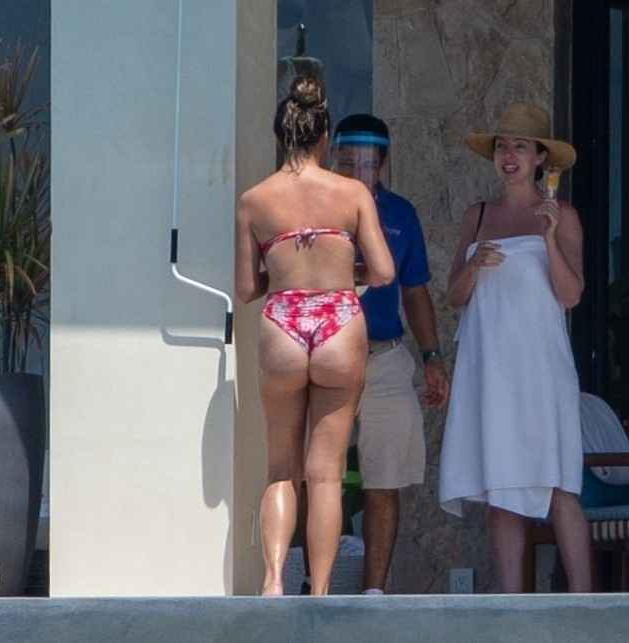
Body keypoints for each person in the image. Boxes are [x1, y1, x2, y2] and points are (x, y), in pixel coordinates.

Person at [234, 76, 395, 596]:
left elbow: (245, 288)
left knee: (281, 468)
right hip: (338, 321)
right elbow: (385, 272)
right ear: (325, 135)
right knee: (326, 473)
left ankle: (273, 581)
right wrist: (347, 271)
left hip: (282, 321)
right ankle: (320, 592)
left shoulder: (254, 200)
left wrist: (284, 276)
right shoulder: (352, 193)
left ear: (281, 134)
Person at [438, 103, 590, 592]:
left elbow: (571, 294)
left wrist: (549, 239)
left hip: (541, 369)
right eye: (502, 146)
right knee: (502, 486)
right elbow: (454, 296)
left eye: (520, 147)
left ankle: (587, 604)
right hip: (491, 370)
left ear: (540, 157)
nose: (509, 155)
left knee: (558, 483)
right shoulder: (478, 215)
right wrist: (473, 265)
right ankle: (510, 608)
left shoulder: (562, 215)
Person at [331, 114, 450, 594]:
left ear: (382, 164)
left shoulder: (400, 213)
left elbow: (415, 290)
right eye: (347, 161)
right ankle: (314, 588)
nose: (356, 170)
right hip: (327, 358)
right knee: (318, 478)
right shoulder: (317, 207)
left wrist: (432, 355)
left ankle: (373, 594)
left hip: (385, 356)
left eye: (366, 162)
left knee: (384, 479)